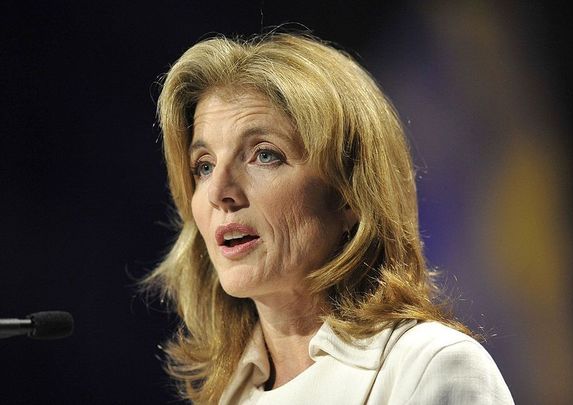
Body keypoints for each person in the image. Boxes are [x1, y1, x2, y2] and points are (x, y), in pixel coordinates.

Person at [145, 32, 514, 404]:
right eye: (204, 166)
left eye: (264, 155)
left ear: (349, 194)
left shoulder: (430, 368)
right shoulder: (229, 396)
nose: (218, 191)